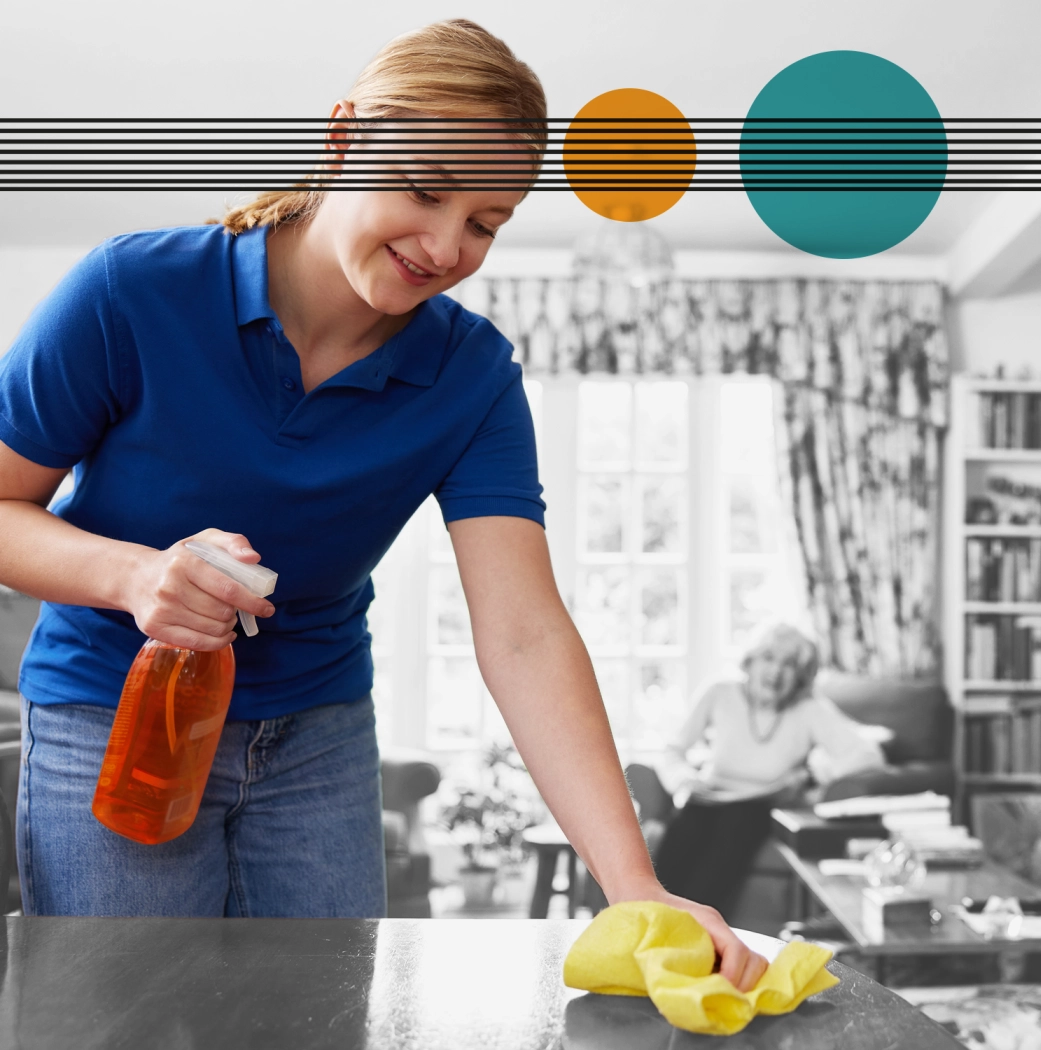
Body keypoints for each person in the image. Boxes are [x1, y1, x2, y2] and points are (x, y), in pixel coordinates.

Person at [0, 19, 769, 990]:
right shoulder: (132, 292)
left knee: (315, 1022)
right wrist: (134, 574)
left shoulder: (472, 375)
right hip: (116, 714)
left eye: (487, 223)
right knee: (121, 1022)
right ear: (342, 138)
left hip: (315, 735)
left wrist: (634, 884)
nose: (447, 245)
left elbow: (524, 632)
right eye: (425, 188)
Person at [654, 623, 885, 916]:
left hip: (759, 808)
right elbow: (672, 750)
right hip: (708, 798)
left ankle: (693, 932)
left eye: (789, 665)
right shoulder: (719, 692)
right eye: (769, 658)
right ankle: (650, 925)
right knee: (686, 828)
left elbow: (867, 755)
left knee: (736, 825)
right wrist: (684, 780)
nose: (775, 672)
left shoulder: (809, 709)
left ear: (800, 678)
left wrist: (815, 776)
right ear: (751, 661)